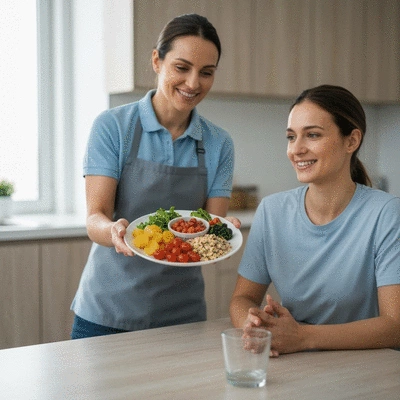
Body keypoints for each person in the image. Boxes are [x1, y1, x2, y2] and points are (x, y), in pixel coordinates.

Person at [71, 14, 240, 339]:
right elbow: (95, 218)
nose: (193, 83)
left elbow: (209, 227)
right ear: (156, 60)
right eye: (182, 67)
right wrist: (113, 231)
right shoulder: (113, 127)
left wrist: (221, 234)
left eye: (207, 73)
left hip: (183, 315)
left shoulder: (219, 143)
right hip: (108, 310)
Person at [230, 84, 400, 356]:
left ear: (352, 141)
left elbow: (395, 326)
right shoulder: (272, 211)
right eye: (290, 137)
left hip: (368, 368)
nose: (296, 149)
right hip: (297, 363)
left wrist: (302, 337)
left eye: (312, 135)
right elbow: (243, 298)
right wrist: (255, 327)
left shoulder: (386, 213)